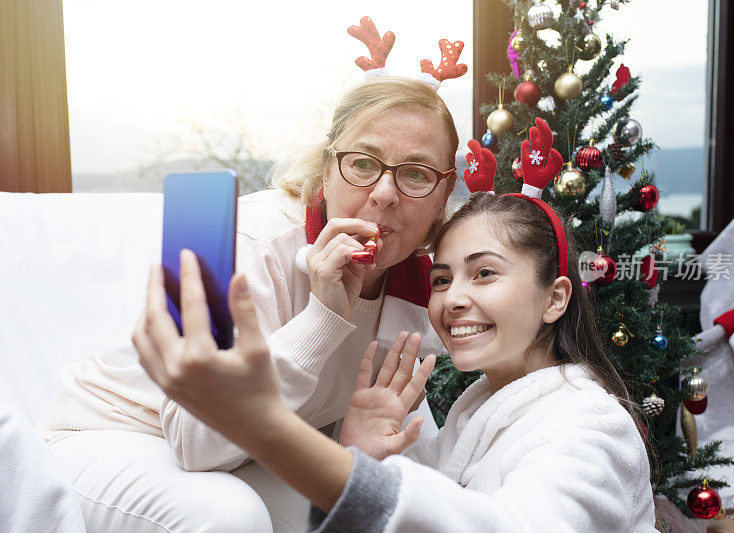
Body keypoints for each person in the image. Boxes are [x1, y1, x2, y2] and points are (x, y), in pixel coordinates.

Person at [136, 120, 658, 531]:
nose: (454, 299)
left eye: (485, 273)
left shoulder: (590, 428)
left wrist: (265, 426)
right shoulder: (469, 415)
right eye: (441, 278)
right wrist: (357, 455)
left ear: (555, 298)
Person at [36, 76, 459, 532]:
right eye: (362, 164)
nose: (383, 194)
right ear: (326, 166)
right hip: (118, 433)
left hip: (245, 454)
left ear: (443, 196)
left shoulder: (416, 288)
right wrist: (324, 316)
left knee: (377, 517)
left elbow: (383, 436)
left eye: (416, 174)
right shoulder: (254, 242)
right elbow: (196, 442)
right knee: (230, 519)